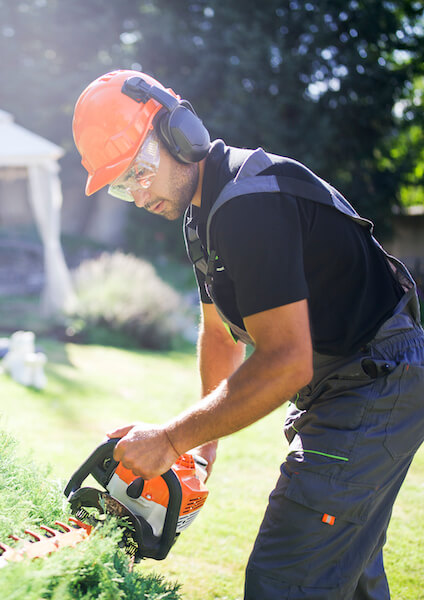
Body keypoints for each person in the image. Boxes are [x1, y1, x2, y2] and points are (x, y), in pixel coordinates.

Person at [72, 69, 424, 599]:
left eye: (139, 172)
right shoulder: (203, 216)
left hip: (374, 379)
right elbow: (220, 334)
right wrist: (203, 444)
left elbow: (285, 362)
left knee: (284, 578)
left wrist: (171, 440)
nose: (138, 195)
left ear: (180, 134)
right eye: (123, 187)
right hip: (345, 382)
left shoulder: (247, 204)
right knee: (344, 573)